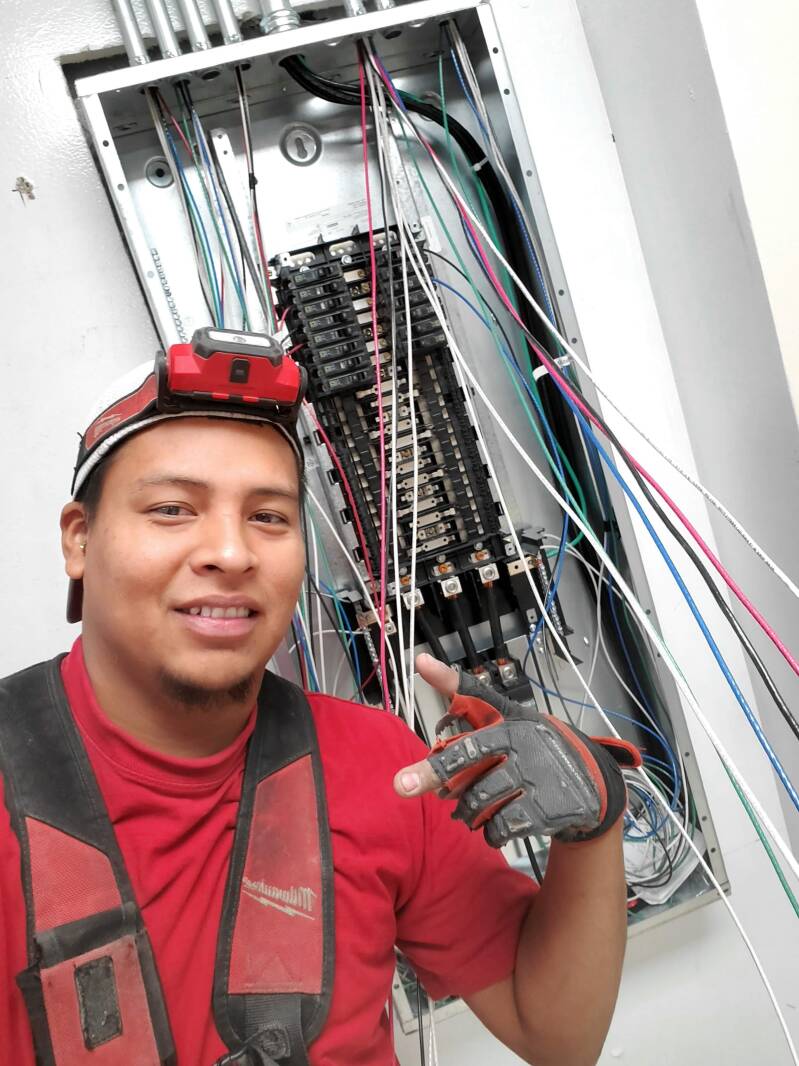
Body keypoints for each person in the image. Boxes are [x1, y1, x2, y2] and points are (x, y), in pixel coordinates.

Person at [0, 334, 636, 1066]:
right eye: (173, 509)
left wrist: (594, 825)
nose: (231, 553)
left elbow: (556, 1033)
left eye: (268, 517)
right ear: (80, 540)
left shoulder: (382, 766)